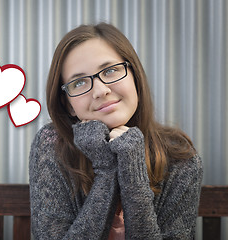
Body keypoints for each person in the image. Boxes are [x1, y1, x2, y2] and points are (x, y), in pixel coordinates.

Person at [29, 23, 203, 239]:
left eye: (110, 71)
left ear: (134, 75)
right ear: (67, 104)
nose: (101, 91)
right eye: (79, 82)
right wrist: (106, 169)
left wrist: (133, 171)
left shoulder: (181, 159)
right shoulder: (52, 145)